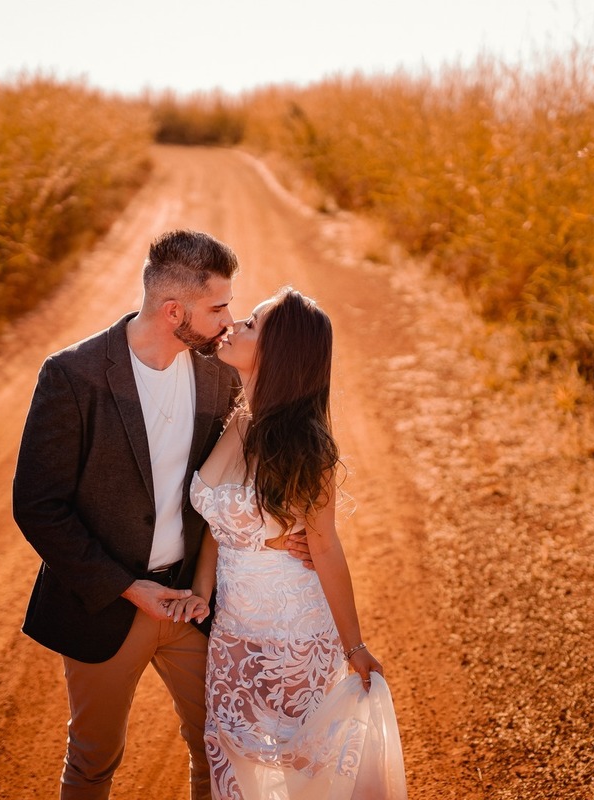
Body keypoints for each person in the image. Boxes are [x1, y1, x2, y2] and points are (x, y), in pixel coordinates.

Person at [12, 229, 306, 800]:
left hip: (194, 604)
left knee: (219, 748)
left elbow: (245, 470)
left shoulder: (219, 374)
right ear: (174, 311)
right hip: (104, 607)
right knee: (93, 760)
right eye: (217, 308)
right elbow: (38, 506)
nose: (229, 321)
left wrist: (288, 535)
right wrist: (127, 587)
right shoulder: (72, 375)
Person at [169, 287, 407, 799]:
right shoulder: (237, 418)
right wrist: (202, 592)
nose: (235, 325)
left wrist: (354, 646)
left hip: (293, 633)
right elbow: (219, 525)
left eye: (252, 324)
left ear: (277, 352)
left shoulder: (307, 446)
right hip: (231, 633)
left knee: (300, 767)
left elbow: (325, 548)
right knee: (230, 758)